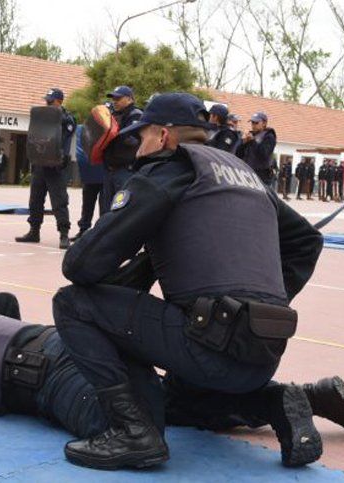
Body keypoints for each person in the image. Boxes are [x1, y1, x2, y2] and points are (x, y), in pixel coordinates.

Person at [52, 93, 324, 470]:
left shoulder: (167, 171)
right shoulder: (242, 173)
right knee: (174, 402)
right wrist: (260, 305)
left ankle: (133, 432)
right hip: (264, 352)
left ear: (163, 136)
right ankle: (273, 402)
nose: (137, 149)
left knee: (73, 304)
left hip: (210, 347)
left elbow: (79, 267)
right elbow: (307, 241)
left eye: (141, 137)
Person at [0, 292, 344, 467]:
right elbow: (3, 302)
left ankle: (286, 400)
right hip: (64, 349)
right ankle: (296, 399)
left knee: (134, 433)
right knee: (161, 403)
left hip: (47, 373)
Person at [16, 88, 76, 249]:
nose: (47, 103)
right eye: (46, 100)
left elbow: (66, 132)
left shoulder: (68, 120)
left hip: (56, 166)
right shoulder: (42, 118)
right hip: (40, 164)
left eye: (50, 101)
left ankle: (64, 235)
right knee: (35, 200)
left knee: (59, 201)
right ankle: (34, 231)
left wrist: (57, 116)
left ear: (59, 101)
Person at [100, 86, 143, 211]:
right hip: (109, 170)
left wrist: (113, 131)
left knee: (122, 210)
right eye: (113, 98)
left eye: (118, 98)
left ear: (129, 99)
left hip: (125, 170)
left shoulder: (136, 115)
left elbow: (131, 140)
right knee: (106, 210)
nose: (115, 101)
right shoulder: (112, 115)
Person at [72, 125, 105, 241]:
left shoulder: (109, 128)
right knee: (87, 204)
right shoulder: (85, 130)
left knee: (103, 205)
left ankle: (101, 233)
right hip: (92, 172)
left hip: (103, 172)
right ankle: (83, 229)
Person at [236, 111, 277, 187]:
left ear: (264, 123)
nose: (253, 125)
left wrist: (253, 141)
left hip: (261, 176)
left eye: (256, 123)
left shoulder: (269, 137)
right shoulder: (250, 135)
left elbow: (264, 154)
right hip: (247, 173)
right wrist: (243, 143)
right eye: (252, 123)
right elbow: (238, 154)